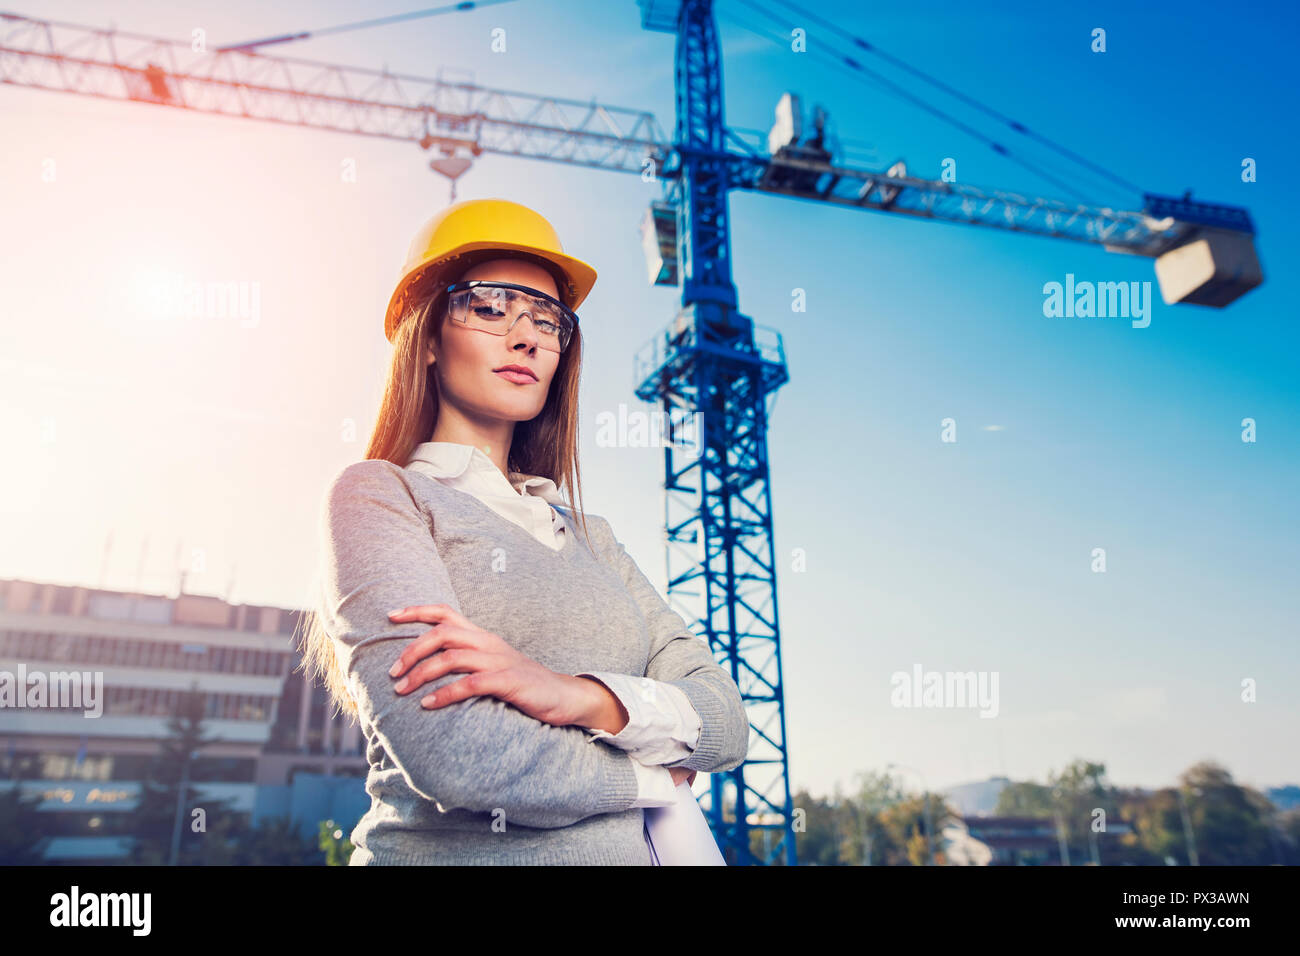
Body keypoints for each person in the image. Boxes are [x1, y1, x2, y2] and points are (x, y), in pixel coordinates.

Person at [300, 198, 750, 865]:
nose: (528, 337)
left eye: (548, 321)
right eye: (489, 307)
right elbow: (456, 753)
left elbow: (725, 722)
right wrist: (652, 777)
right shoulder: (380, 497)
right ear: (426, 338)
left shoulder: (594, 537)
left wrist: (570, 694)